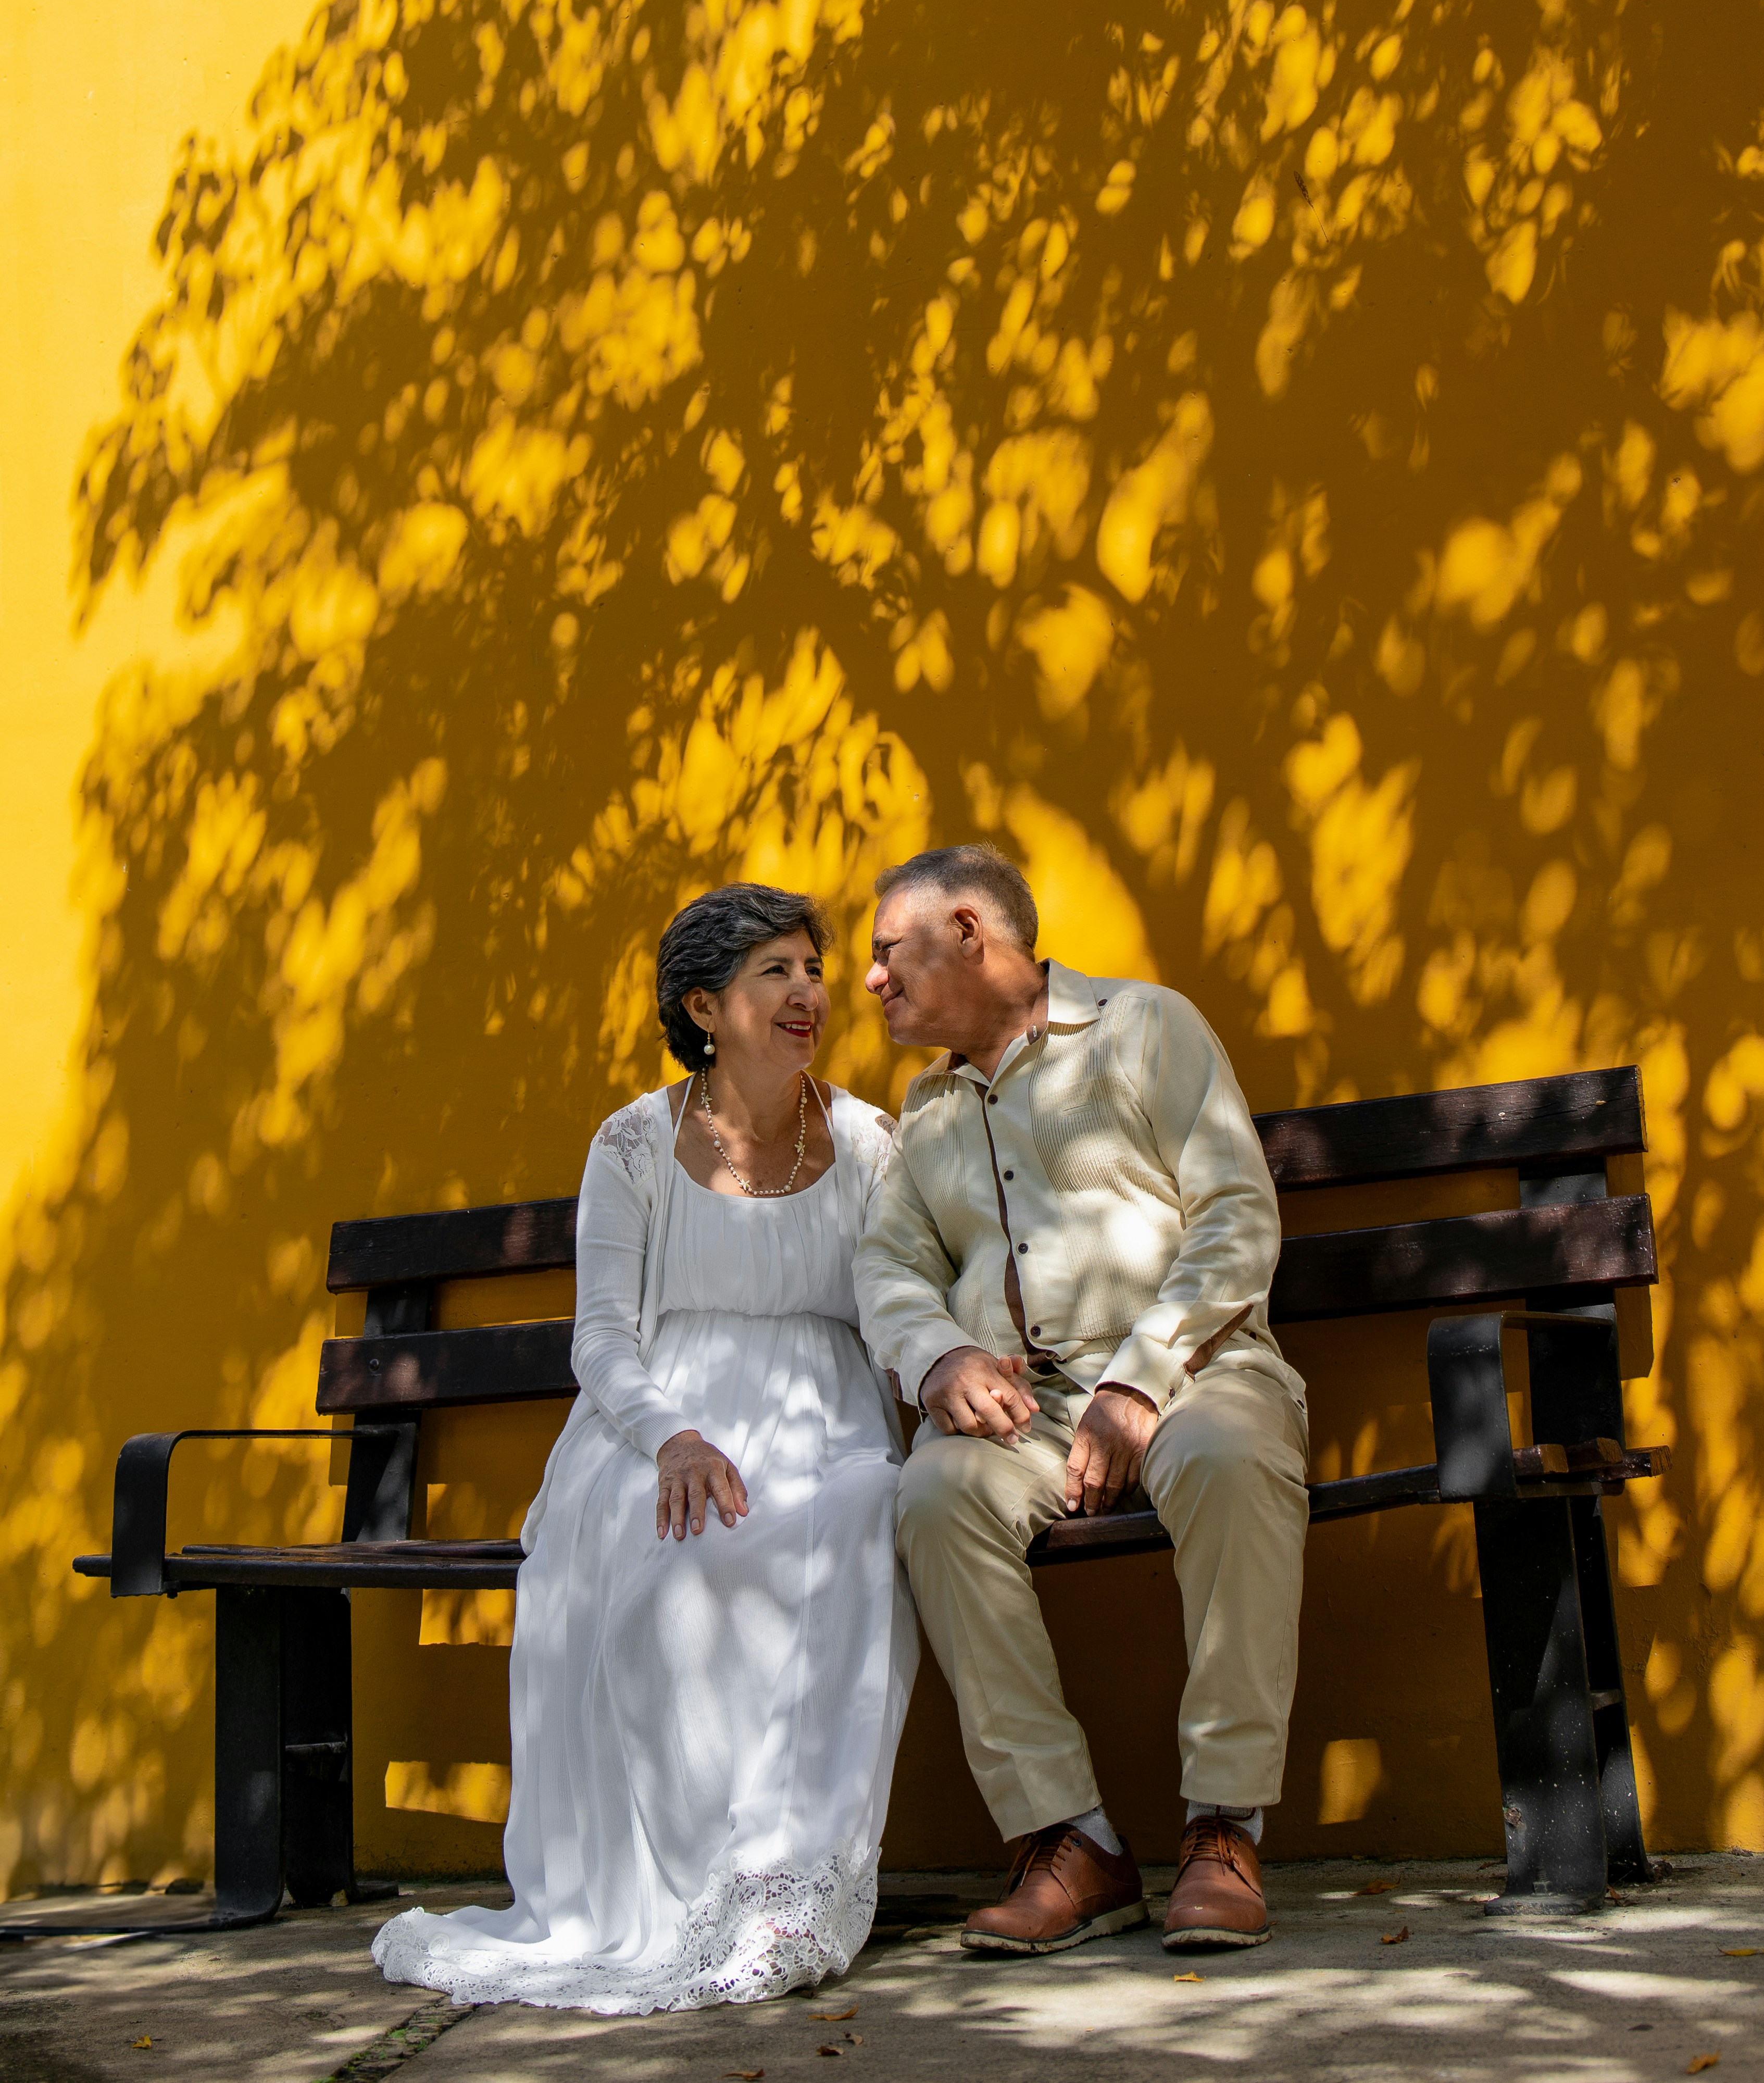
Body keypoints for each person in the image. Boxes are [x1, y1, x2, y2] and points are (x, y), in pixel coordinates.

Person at [372, 884, 918, 2016]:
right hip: (656, 1424)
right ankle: (680, 1890)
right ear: (703, 1007)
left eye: (813, 969)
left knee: (861, 1517)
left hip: (826, 1416)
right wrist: (672, 1437)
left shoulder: (871, 1140)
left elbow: (898, 1302)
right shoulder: (631, 1143)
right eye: (775, 971)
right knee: (672, 1571)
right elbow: (603, 1340)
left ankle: (778, 1881)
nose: (808, 993)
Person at [853, 844, 1307, 1957]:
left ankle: (1225, 1825)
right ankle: (1070, 1840)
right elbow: (890, 1265)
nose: (870, 980)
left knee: (1229, 1459)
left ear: (969, 932)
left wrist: (1138, 1380)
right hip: (1032, 1412)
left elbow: (1236, 1216)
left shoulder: (1146, 1027)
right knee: (935, 1493)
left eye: (886, 950)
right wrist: (940, 1358)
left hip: (1197, 1371)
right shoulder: (928, 1108)